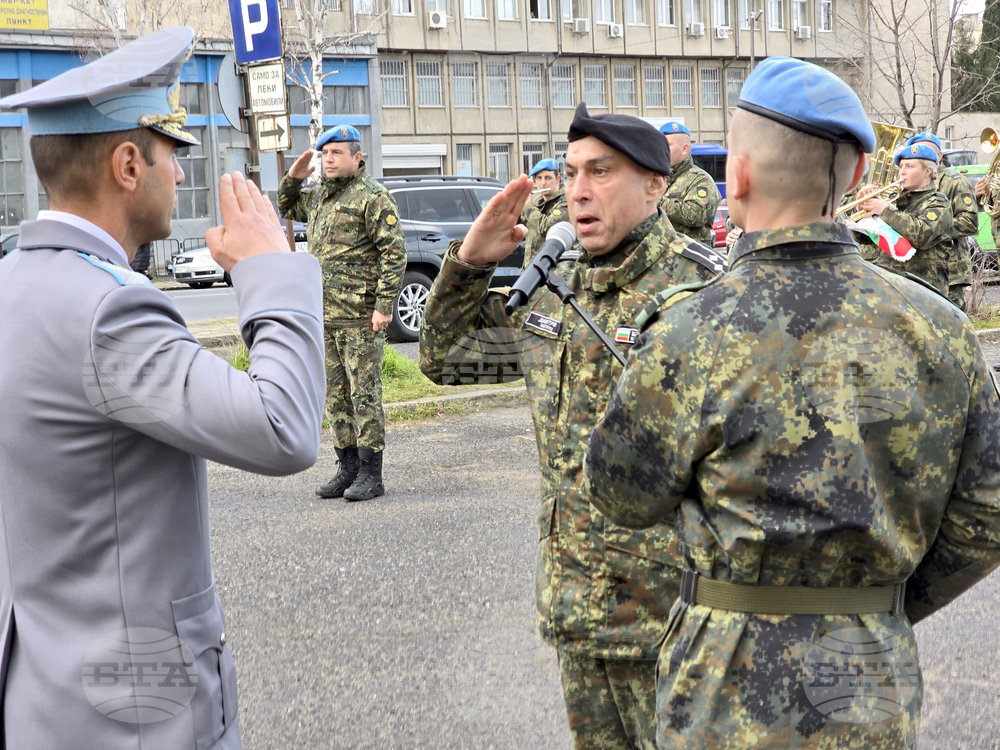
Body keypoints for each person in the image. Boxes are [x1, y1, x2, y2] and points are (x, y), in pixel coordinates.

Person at [585, 56, 1000, 748]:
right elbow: (987, 514)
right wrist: (877, 605)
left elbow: (621, 494)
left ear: (736, 175)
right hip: (870, 677)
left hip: (723, 688)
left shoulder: (691, 330)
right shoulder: (942, 329)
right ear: (860, 176)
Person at [0, 27, 326, 750]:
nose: (181, 176)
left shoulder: (13, 281)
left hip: (41, 692)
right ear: (127, 164)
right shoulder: (110, 308)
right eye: (172, 154)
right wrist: (270, 271)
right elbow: (284, 429)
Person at [420, 104, 727, 750]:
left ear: (654, 186)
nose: (578, 191)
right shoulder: (555, 291)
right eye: (570, 173)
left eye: (601, 172)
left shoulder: (704, 298)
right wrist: (469, 266)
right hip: (577, 614)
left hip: (672, 625)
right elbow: (448, 361)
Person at [278, 126, 407, 502]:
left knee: (364, 395)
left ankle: (371, 473)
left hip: (360, 317)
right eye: (324, 154)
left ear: (357, 157)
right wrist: (293, 177)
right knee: (335, 396)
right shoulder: (318, 195)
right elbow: (286, 206)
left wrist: (384, 306)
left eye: (336, 153)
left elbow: (394, 252)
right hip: (326, 315)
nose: (329, 159)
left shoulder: (372, 197)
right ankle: (347, 466)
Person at [856, 142, 954, 297]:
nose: (902, 172)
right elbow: (864, 238)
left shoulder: (938, 202)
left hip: (924, 289)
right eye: (901, 167)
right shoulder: (894, 201)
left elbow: (921, 234)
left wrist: (884, 210)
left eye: (909, 167)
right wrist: (863, 209)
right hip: (890, 286)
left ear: (928, 171)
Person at [905, 131, 979, 310]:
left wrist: (935, 228)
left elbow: (970, 221)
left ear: (939, 156)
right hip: (918, 269)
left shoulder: (955, 182)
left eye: (929, 151)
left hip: (951, 269)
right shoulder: (908, 184)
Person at [657, 121, 721, 243]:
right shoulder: (658, 178)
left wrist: (655, 200)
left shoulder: (700, 180)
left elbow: (696, 214)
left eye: (667, 145)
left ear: (684, 149)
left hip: (690, 255)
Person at [519, 157, 568, 270]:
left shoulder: (565, 203)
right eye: (539, 178)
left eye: (548, 178)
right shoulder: (537, 206)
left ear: (558, 179)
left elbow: (546, 228)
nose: (543, 183)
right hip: (532, 273)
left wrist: (527, 206)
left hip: (554, 274)